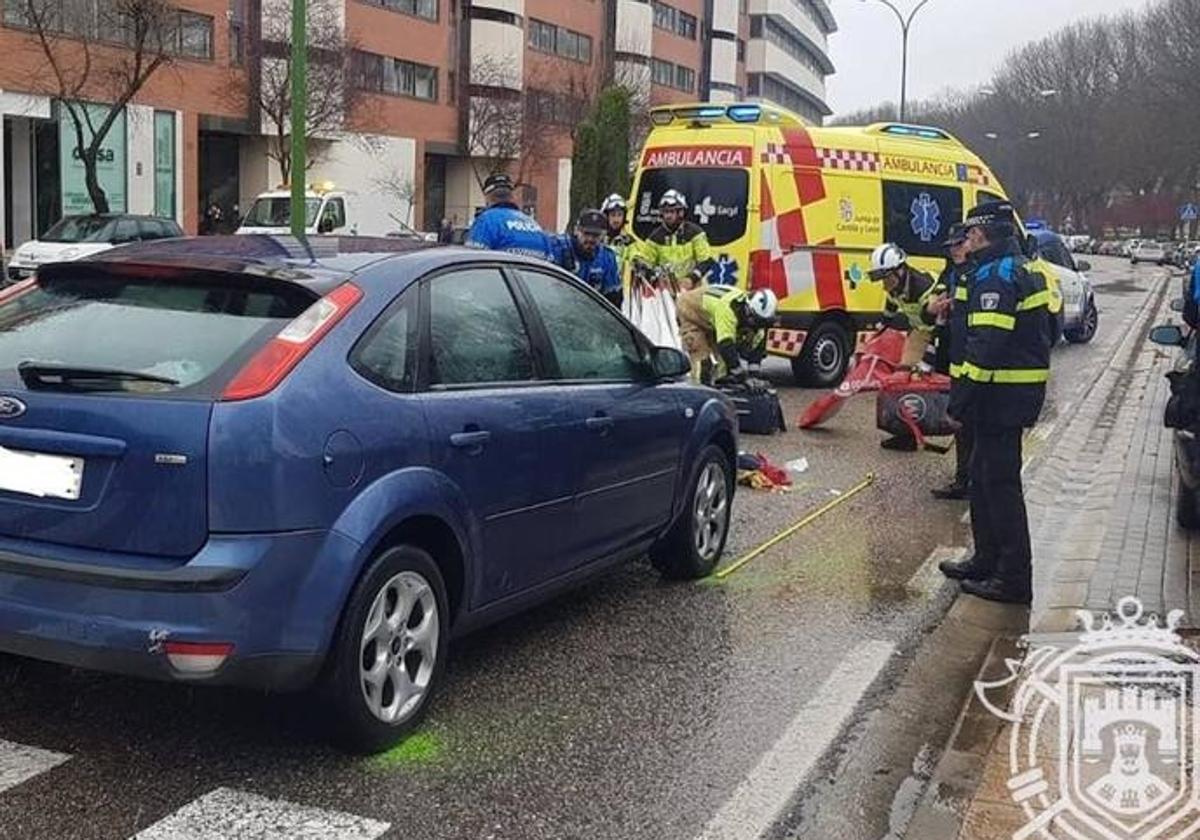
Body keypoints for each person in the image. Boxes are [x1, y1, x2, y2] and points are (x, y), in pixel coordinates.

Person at [938, 201, 1052, 605]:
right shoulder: (1018, 267)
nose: (965, 239)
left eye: (969, 233)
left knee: (1000, 487)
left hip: (1000, 397)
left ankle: (1013, 578)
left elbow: (984, 348)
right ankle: (986, 560)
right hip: (1006, 395)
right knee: (983, 480)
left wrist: (958, 404)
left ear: (983, 235)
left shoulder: (997, 275)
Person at [869, 242, 945, 451]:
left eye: (886, 279)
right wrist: (880, 327)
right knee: (902, 379)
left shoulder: (924, 288)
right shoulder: (896, 286)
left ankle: (934, 426)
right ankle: (906, 435)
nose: (884, 285)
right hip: (920, 330)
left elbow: (936, 322)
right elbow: (891, 305)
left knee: (917, 380)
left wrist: (928, 361)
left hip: (939, 332)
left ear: (900, 270)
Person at [931, 222, 974, 500]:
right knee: (961, 420)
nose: (954, 251)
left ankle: (968, 480)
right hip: (952, 349)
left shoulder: (978, 270)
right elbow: (936, 294)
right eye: (951, 247)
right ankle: (963, 478)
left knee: (970, 420)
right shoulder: (952, 270)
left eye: (959, 245)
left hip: (972, 352)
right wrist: (936, 303)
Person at [676, 284, 777, 385]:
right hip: (690, 310)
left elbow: (756, 350)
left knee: (724, 365)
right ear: (748, 310)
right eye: (755, 321)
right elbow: (726, 344)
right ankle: (697, 391)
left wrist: (754, 377)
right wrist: (742, 376)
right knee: (701, 359)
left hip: (712, 316)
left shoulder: (759, 320)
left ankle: (722, 390)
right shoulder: (728, 308)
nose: (756, 326)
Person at [633, 190, 715, 291]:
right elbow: (646, 263)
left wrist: (691, 279)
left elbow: (706, 261)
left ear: (681, 212)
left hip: (691, 290)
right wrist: (649, 272)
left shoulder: (695, 233)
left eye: (672, 211)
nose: (668, 216)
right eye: (665, 212)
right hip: (665, 292)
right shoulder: (654, 237)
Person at [466, 173, 556, 261]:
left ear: (487, 197)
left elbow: (473, 260)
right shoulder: (534, 225)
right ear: (512, 196)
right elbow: (550, 262)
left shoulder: (486, 222)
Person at [563, 209, 622, 307]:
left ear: (603, 236)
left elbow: (614, 300)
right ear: (577, 231)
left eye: (595, 235)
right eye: (586, 233)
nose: (590, 239)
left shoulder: (607, 258)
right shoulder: (562, 250)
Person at [600, 194, 634, 272]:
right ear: (606, 216)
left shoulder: (628, 241)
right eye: (613, 215)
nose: (616, 220)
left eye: (619, 215)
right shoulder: (598, 239)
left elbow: (634, 256)